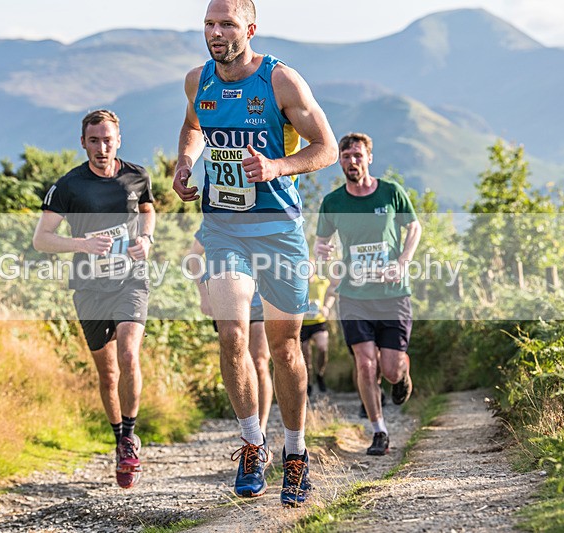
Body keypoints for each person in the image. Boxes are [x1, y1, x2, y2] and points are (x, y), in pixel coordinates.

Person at [173, 0, 337, 507]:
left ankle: (295, 452)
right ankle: (251, 443)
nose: (216, 33)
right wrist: (184, 162)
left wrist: (276, 167)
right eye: (209, 24)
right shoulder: (197, 80)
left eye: (226, 24)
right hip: (223, 228)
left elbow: (326, 148)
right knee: (233, 333)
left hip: (278, 230)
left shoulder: (280, 81)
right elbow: (193, 127)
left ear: (250, 28)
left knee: (286, 348)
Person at [33, 109, 155, 489]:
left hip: (131, 280)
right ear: (83, 142)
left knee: (129, 353)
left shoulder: (137, 176)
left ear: (119, 140)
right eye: (94, 141)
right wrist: (82, 244)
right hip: (88, 287)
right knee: (108, 373)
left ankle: (131, 438)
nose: (102, 148)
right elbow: (42, 239)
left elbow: (149, 211)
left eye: (108, 140)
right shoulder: (69, 186)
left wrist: (146, 240)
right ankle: (119, 438)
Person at [315, 132, 422, 457]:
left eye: (358, 155)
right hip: (354, 295)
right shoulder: (332, 202)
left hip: (392, 295)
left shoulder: (391, 193)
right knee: (365, 364)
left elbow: (414, 227)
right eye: (346, 156)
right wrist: (322, 249)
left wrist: (403, 262)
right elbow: (322, 244)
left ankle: (401, 374)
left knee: (388, 369)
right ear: (340, 161)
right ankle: (379, 431)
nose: (352, 161)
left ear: (369, 158)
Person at [186, 232, 273, 433]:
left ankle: (261, 429)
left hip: (262, 299)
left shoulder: (267, 210)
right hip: (230, 298)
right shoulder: (219, 215)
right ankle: (249, 426)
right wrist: (204, 295)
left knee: (260, 361)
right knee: (237, 356)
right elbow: (194, 256)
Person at [300, 262, 336, 396]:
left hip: (318, 322)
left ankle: (320, 374)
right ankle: (308, 382)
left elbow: (332, 293)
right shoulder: (297, 283)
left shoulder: (322, 282)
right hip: (302, 324)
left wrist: (326, 306)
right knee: (305, 354)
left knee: (322, 347)